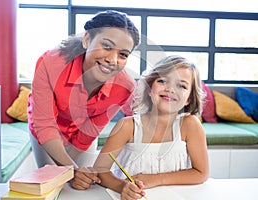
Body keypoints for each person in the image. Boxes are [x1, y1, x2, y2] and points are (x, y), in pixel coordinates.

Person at [27, 10, 140, 190]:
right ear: (87, 39)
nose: (112, 60)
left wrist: (75, 172)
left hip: (81, 136)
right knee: (54, 186)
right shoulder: (51, 62)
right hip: (47, 131)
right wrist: (70, 170)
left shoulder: (124, 87)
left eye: (123, 55)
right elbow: (45, 124)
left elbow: (90, 129)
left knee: (82, 185)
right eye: (107, 46)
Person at [94, 55, 209, 199]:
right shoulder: (127, 126)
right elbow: (100, 170)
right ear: (149, 88)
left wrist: (156, 179)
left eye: (181, 85)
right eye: (162, 80)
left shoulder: (190, 125)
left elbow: (201, 173)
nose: (170, 89)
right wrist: (123, 187)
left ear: (189, 99)